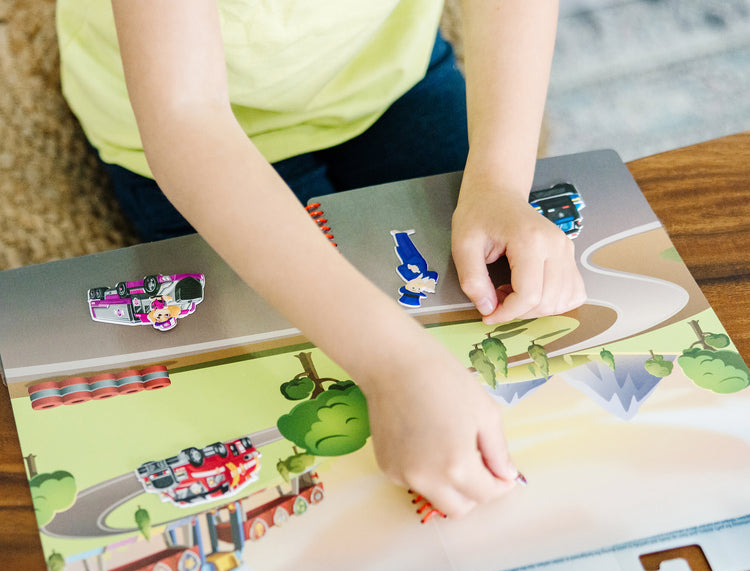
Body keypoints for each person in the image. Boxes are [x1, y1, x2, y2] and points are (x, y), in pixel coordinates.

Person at [56, 1, 586, 519]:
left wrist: (500, 179)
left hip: (387, 78)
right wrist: (394, 365)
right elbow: (186, 115)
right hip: (186, 125)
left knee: (486, 283)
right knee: (264, 377)